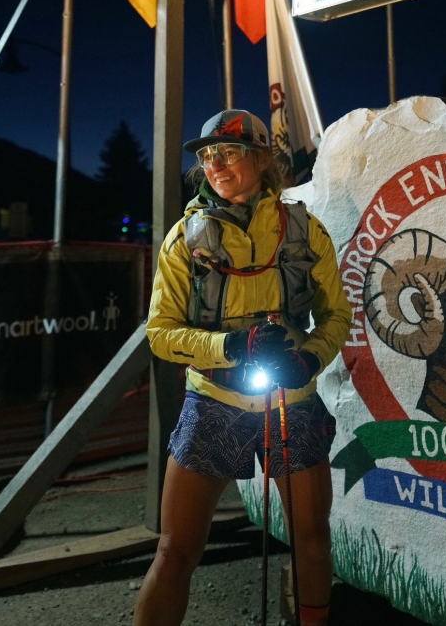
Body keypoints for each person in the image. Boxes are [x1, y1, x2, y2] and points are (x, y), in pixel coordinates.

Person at [134, 109, 352, 626]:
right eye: (208, 156)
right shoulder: (186, 238)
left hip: (291, 403)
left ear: (261, 158)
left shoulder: (303, 230)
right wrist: (232, 347)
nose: (215, 165)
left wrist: (310, 359)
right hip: (213, 403)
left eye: (228, 152)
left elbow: (337, 314)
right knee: (175, 551)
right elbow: (160, 334)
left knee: (312, 540)